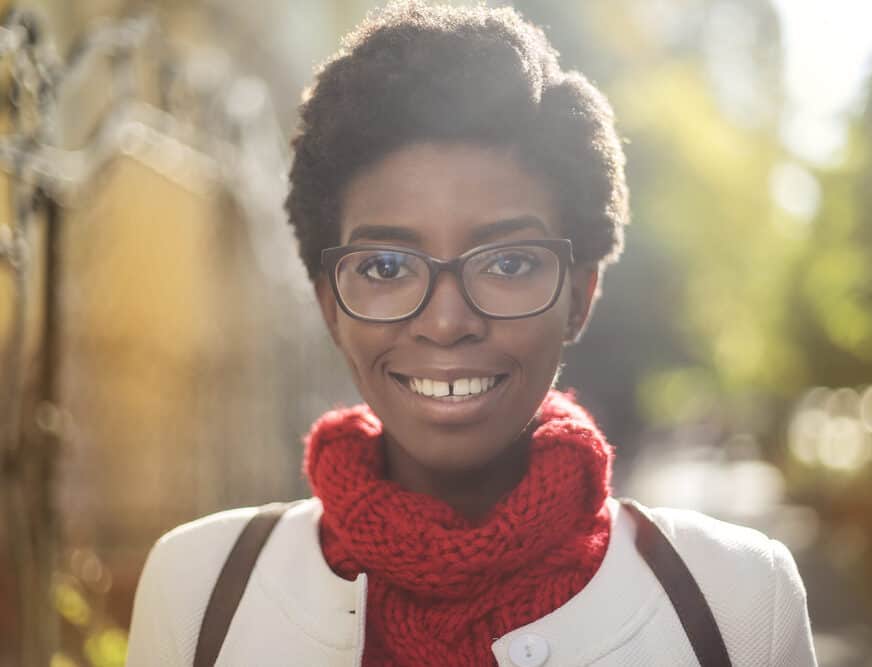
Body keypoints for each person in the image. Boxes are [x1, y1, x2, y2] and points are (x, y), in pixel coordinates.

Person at [125, 2, 817, 665]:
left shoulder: (737, 602)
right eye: (387, 265)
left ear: (579, 296)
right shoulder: (200, 590)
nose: (447, 321)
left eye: (509, 262)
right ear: (330, 305)